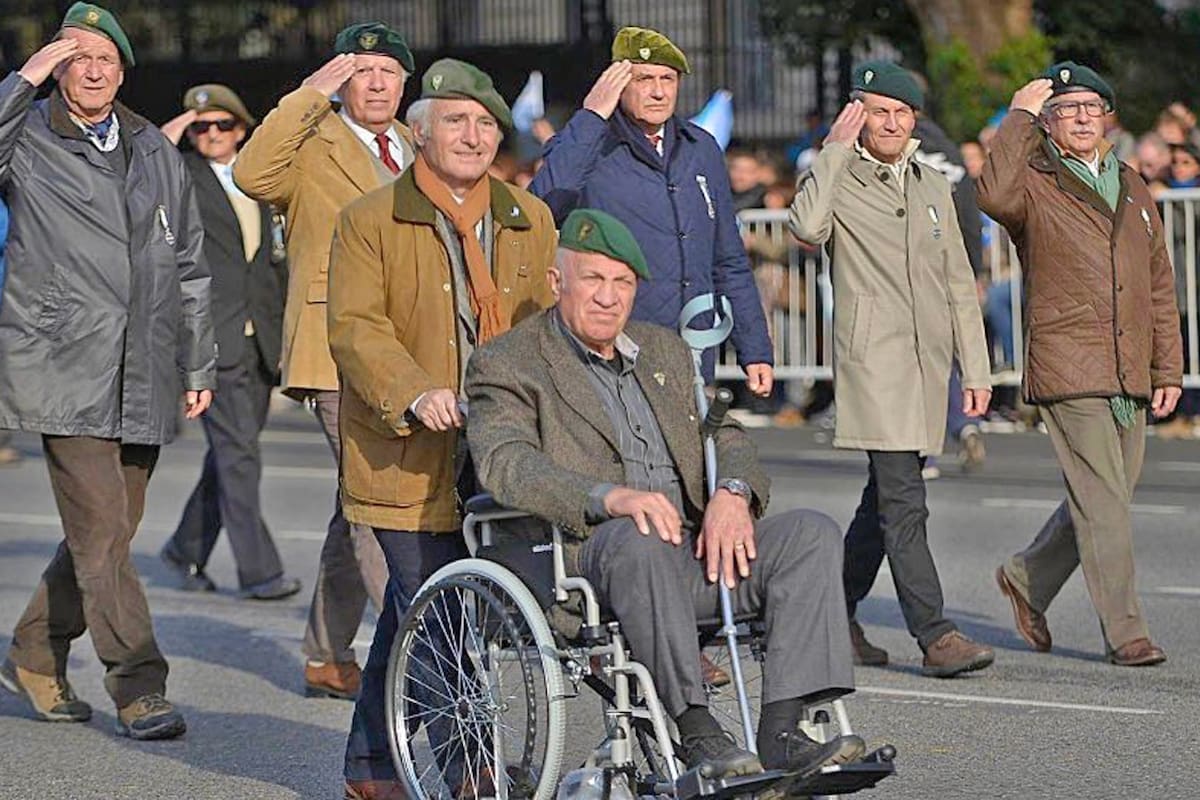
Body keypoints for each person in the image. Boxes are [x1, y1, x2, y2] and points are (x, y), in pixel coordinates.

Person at [467, 207, 865, 780]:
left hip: (692, 552)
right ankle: (699, 734)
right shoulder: (509, 362)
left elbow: (725, 436)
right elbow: (507, 465)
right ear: (558, 283)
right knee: (639, 537)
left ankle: (782, 732)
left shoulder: (664, 352)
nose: (608, 297)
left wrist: (730, 492)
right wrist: (610, 497)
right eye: (594, 279)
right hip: (595, 558)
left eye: (622, 283)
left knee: (811, 534)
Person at [329, 59, 557, 800]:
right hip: (404, 449)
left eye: (487, 124)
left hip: (497, 447)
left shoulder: (531, 218)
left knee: (420, 607)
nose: (472, 135)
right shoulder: (369, 219)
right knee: (436, 605)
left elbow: (547, 332)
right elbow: (357, 329)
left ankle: (369, 766)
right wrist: (415, 390)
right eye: (455, 121)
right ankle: (473, 770)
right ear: (418, 132)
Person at [0, 3, 214, 740]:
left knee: (110, 535)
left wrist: (197, 358)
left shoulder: (154, 147)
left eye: (106, 58)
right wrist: (19, 81)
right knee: (101, 533)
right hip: (64, 362)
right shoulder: (27, 134)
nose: (92, 69)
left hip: (145, 365)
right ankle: (139, 686)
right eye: (76, 55)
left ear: (123, 71)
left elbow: (189, 264)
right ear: (57, 66)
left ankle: (32, 648)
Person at [788, 61, 995, 676]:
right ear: (857, 114)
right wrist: (829, 151)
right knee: (905, 498)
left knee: (882, 498)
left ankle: (833, 615)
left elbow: (960, 282)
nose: (892, 123)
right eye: (879, 111)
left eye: (902, 114)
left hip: (929, 367)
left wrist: (977, 372)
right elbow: (805, 226)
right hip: (876, 362)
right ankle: (935, 634)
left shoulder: (932, 185)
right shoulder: (839, 175)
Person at [979, 63, 1183, 666]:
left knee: (1108, 497)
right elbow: (991, 194)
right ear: (1047, 123)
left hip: (1130, 365)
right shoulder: (1033, 181)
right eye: (1068, 109)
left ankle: (1027, 576)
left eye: (1093, 107)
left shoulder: (1131, 182)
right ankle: (1127, 632)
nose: (1084, 117)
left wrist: (1167, 369)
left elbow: (1159, 284)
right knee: (1104, 501)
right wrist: (1015, 118)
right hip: (1070, 360)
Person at [233, 22, 413, 700]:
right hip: (336, 348)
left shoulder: (415, 144)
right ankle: (421, 655)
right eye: (359, 71)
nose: (374, 83)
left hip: (410, 353)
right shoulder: (313, 143)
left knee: (357, 503)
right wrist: (307, 97)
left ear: (404, 84)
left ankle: (325, 652)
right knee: (378, 502)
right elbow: (252, 173)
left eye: (386, 72)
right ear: (341, 81)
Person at [529, 26, 773, 391]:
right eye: (644, 79)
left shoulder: (700, 148)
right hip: (615, 347)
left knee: (691, 448)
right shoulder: (587, 143)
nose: (659, 91)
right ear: (618, 83)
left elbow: (728, 258)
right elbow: (542, 207)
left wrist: (754, 349)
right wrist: (592, 117)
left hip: (691, 347)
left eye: (668, 79)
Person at [155, 84, 300, 599]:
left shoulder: (262, 178)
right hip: (209, 340)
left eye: (221, 125)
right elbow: (140, 173)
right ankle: (259, 571)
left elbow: (274, 263)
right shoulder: (181, 177)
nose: (210, 134)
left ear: (242, 129)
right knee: (238, 453)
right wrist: (173, 132)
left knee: (230, 453)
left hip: (260, 337)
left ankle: (185, 548)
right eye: (200, 127)